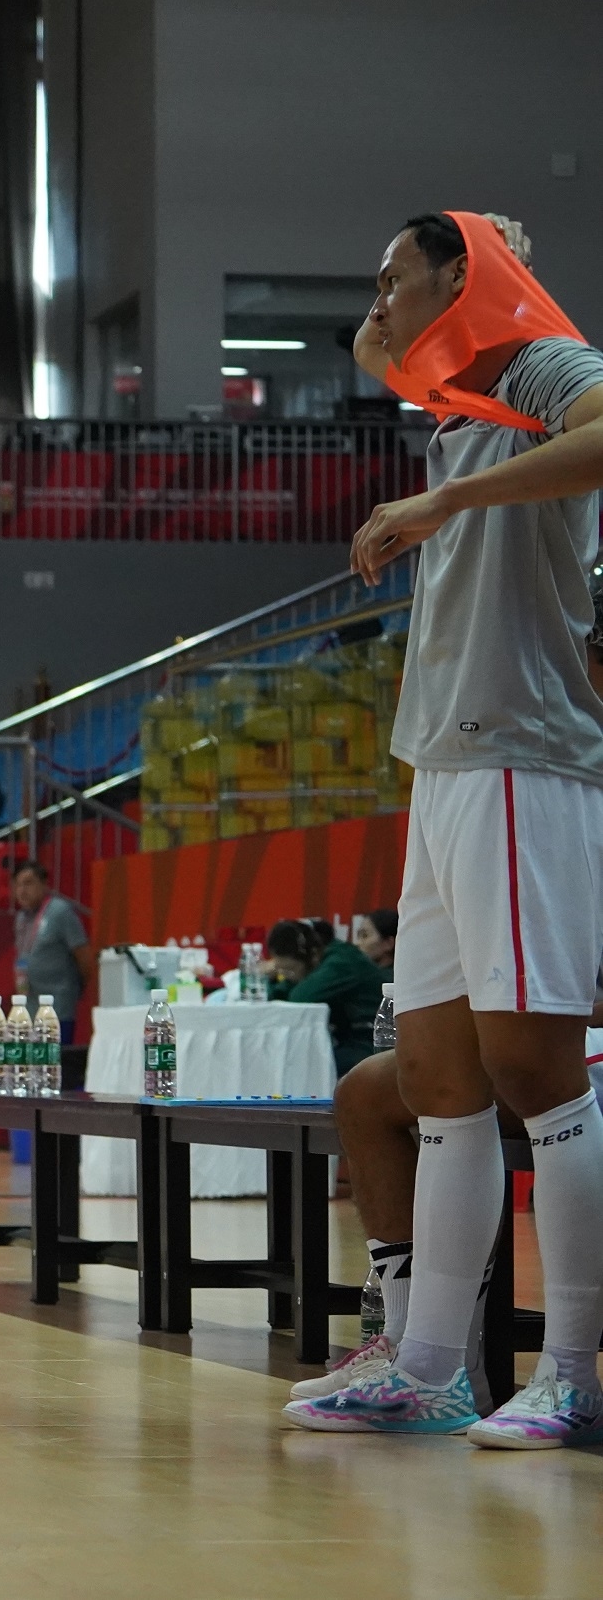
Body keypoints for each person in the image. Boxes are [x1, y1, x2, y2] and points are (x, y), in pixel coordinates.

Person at [287, 210, 603, 1447]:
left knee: (535, 1068)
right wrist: (402, 338)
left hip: (527, 756)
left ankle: (573, 1366)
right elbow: (394, 350)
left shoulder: (541, 365)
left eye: (390, 280)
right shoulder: (463, 404)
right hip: (446, 768)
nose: (371, 305)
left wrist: (441, 502)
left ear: (464, 281)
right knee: (434, 1077)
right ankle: (430, 1367)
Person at [263, 917, 390, 1077]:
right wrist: (274, 979)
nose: (286, 976)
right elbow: (279, 995)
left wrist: (279, 979)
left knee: (299, 1068)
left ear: (314, 956)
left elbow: (299, 999)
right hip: (348, 1038)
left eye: (289, 970)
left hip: (372, 1041)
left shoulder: (342, 961)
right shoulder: (317, 961)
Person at [11, 860, 90, 1045]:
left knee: (54, 1068)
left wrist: (73, 991)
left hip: (57, 1010)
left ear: (44, 884)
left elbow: (84, 958)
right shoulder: (21, 919)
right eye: (18, 885)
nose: (22, 890)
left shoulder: (60, 912)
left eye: (28, 883)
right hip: (29, 1009)